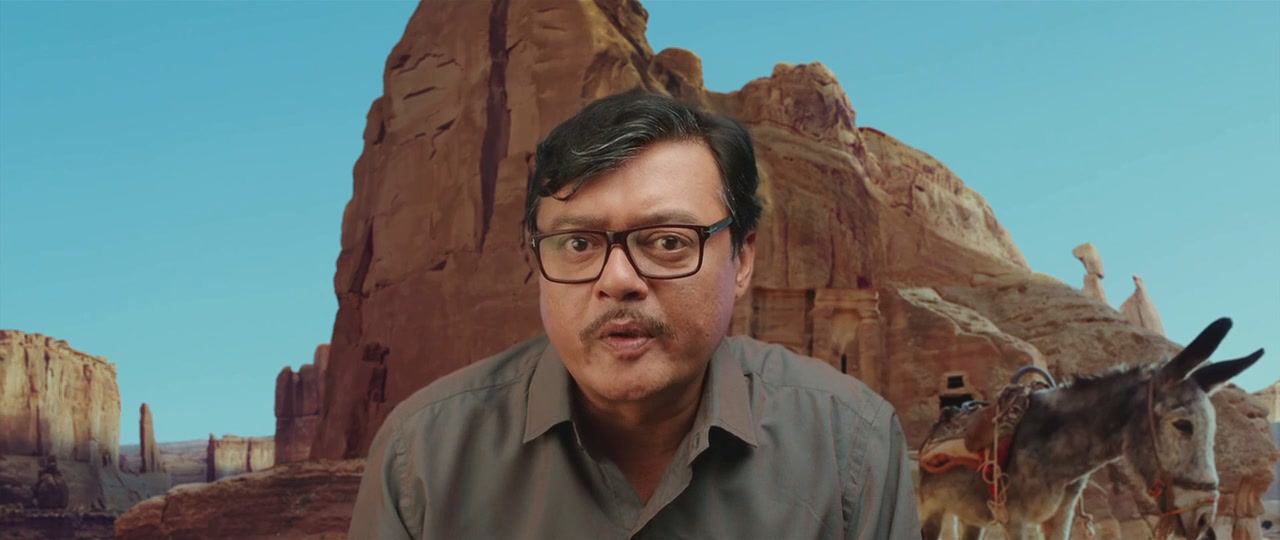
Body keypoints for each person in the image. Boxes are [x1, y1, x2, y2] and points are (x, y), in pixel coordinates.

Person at [347, 88, 920, 539]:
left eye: (668, 242)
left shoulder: (851, 447)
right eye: (578, 244)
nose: (618, 280)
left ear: (742, 259)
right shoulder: (420, 460)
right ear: (536, 260)